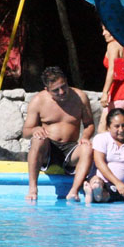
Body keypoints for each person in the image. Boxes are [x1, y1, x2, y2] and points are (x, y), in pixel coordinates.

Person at [22, 66, 95, 201]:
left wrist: (85, 137)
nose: (62, 92)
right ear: (47, 90)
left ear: (66, 81)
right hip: (48, 149)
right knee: (37, 140)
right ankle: (33, 188)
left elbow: (89, 124)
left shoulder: (80, 97)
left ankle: (74, 192)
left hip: (70, 149)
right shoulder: (38, 101)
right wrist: (34, 130)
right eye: (56, 90)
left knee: (87, 148)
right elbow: (26, 132)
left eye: (64, 86)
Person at [97, 26, 124, 134]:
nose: (103, 33)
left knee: (103, 132)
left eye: (106, 30)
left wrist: (105, 92)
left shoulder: (113, 45)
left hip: (119, 94)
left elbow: (112, 70)